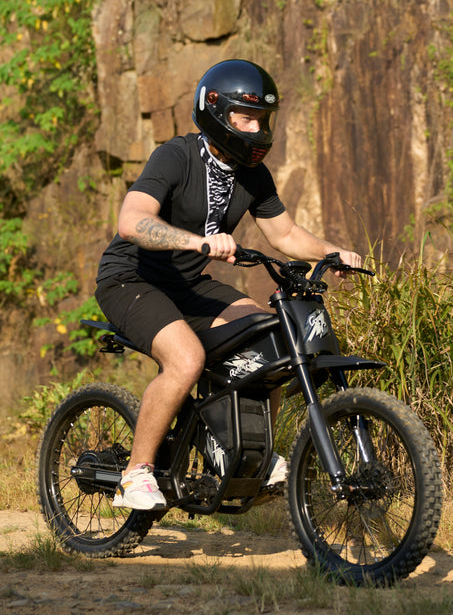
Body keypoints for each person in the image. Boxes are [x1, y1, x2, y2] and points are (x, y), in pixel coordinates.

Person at [95, 59, 362, 511]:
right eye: (247, 117)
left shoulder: (252, 175)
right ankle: (135, 473)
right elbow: (132, 221)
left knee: (272, 338)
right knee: (187, 359)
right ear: (216, 112)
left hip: (188, 285)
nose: (258, 129)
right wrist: (198, 242)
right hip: (130, 279)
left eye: (263, 119)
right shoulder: (175, 156)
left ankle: (249, 453)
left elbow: (285, 236)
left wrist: (332, 253)